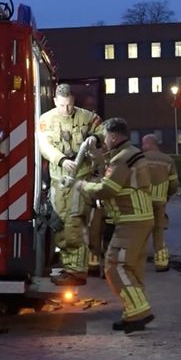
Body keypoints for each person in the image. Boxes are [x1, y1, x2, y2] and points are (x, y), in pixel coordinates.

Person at [74, 118, 155, 333]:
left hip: (131, 220)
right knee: (132, 268)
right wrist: (99, 160)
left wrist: (82, 185)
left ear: (113, 136)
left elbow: (107, 189)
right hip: (139, 218)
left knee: (114, 265)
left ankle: (139, 312)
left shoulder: (122, 158)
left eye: (105, 137)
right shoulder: (129, 154)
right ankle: (132, 312)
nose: (104, 141)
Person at [37, 83, 103, 286]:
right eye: (62, 105)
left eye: (69, 105)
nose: (66, 109)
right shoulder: (46, 120)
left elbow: (103, 130)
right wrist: (61, 160)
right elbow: (44, 145)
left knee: (74, 221)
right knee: (59, 224)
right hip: (59, 179)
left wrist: (95, 137)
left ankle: (76, 271)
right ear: (55, 101)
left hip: (80, 179)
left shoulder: (87, 117)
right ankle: (69, 267)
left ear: (74, 101)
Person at [141, 134, 180, 272]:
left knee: (141, 230)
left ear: (149, 144)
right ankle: (161, 262)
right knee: (158, 230)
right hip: (160, 201)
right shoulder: (168, 160)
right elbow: (174, 183)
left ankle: (138, 262)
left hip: (143, 201)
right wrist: (167, 195)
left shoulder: (140, 159)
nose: (142, 147)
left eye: (144, 144)